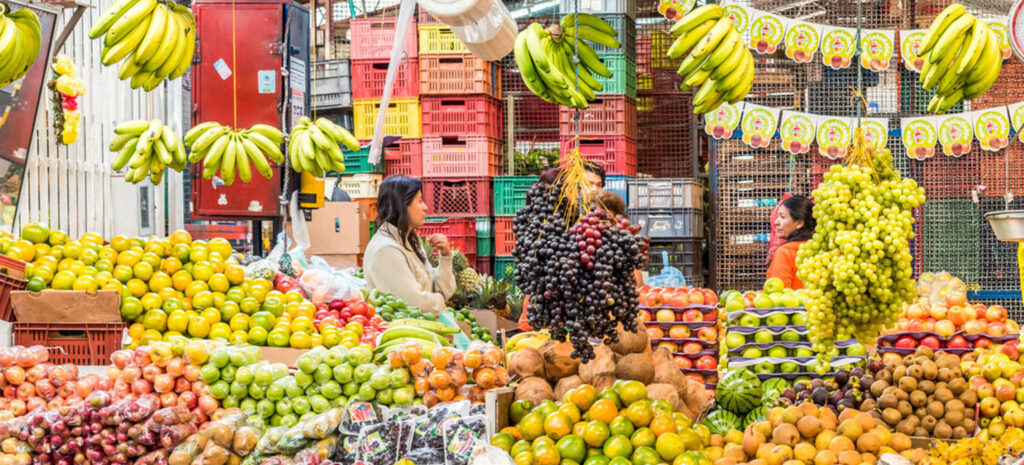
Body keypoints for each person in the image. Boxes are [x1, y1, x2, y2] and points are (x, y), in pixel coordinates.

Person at [363, 176, 455, 314]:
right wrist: (440, 300)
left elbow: (442, 290)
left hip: (421, 325)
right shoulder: (386, 250)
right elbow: (415, 302)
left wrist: (446, 256)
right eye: (420, 201)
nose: (425, 207)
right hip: (402, 330)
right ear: (402, 205)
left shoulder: (410, 240)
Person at [766, 195, 816, 290]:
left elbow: (777, 294)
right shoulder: (819, 248)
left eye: (782, 217)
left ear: (799, 223)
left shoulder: (785, 252)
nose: (776, 222)